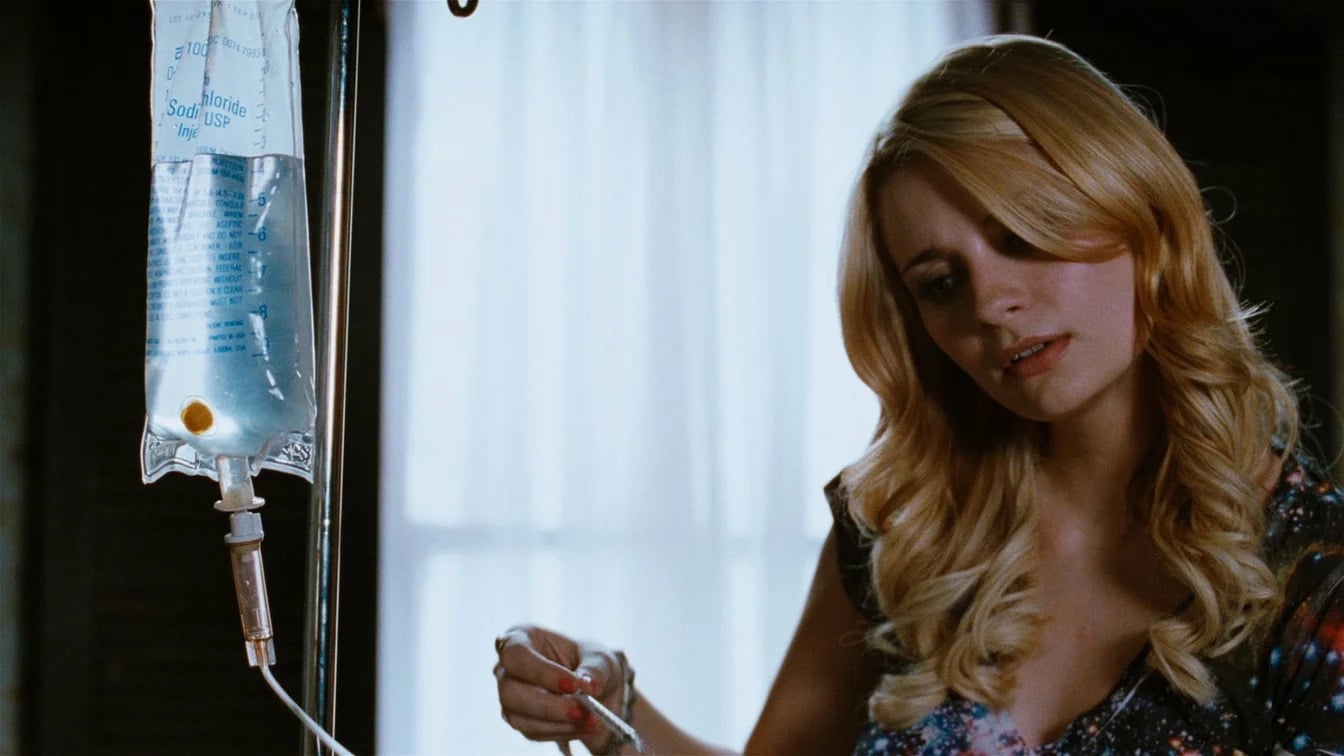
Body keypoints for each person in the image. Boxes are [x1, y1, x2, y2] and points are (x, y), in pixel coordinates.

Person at [491, 33, 1344, 754]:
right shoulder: (905, 529)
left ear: (1140, 214)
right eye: (940, 283)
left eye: (1024, 235)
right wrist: (614, 709)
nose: (990, 303)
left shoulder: (1315, 579)